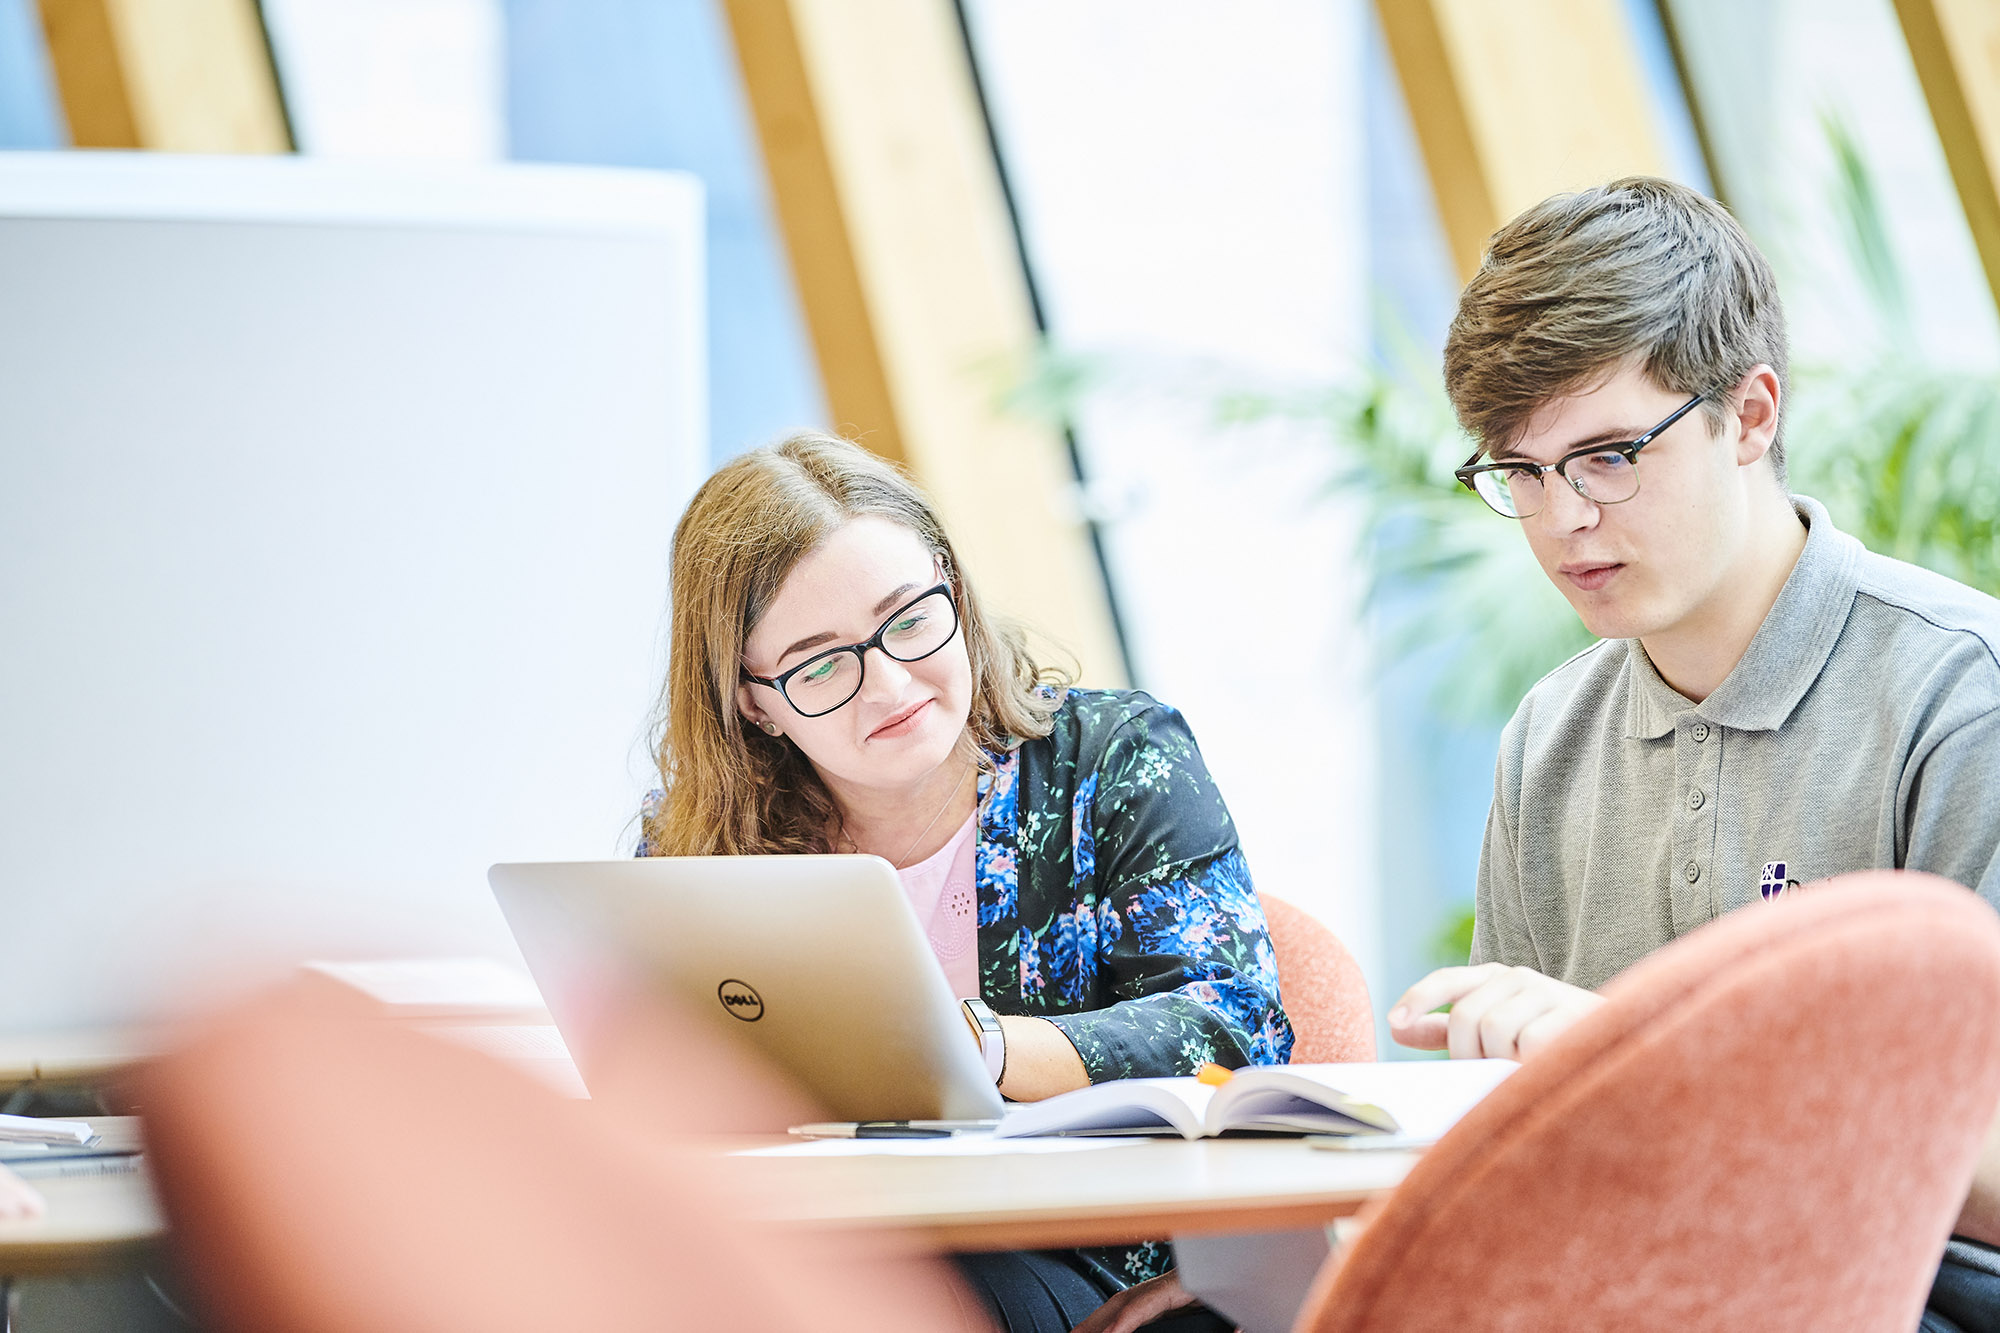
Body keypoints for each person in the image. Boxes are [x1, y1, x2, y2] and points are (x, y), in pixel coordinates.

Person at [1378, 177, 2000, 1330]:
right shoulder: (1550, 736)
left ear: (1749, 416)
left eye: (1607, 454)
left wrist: (1647, 1064)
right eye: (1517, 470)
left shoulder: (1960, 698)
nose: (1562, 518)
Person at [640, 430, 1292, 1331]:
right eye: (823, 663)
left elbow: (1232, 1024)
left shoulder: (1115, 762)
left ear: (952, 584)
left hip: (1098, 1268)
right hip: (813, 1251)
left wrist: (976, 1047)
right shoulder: (707, 853)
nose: (890, 683)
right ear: (754, 699)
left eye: (910, 619)